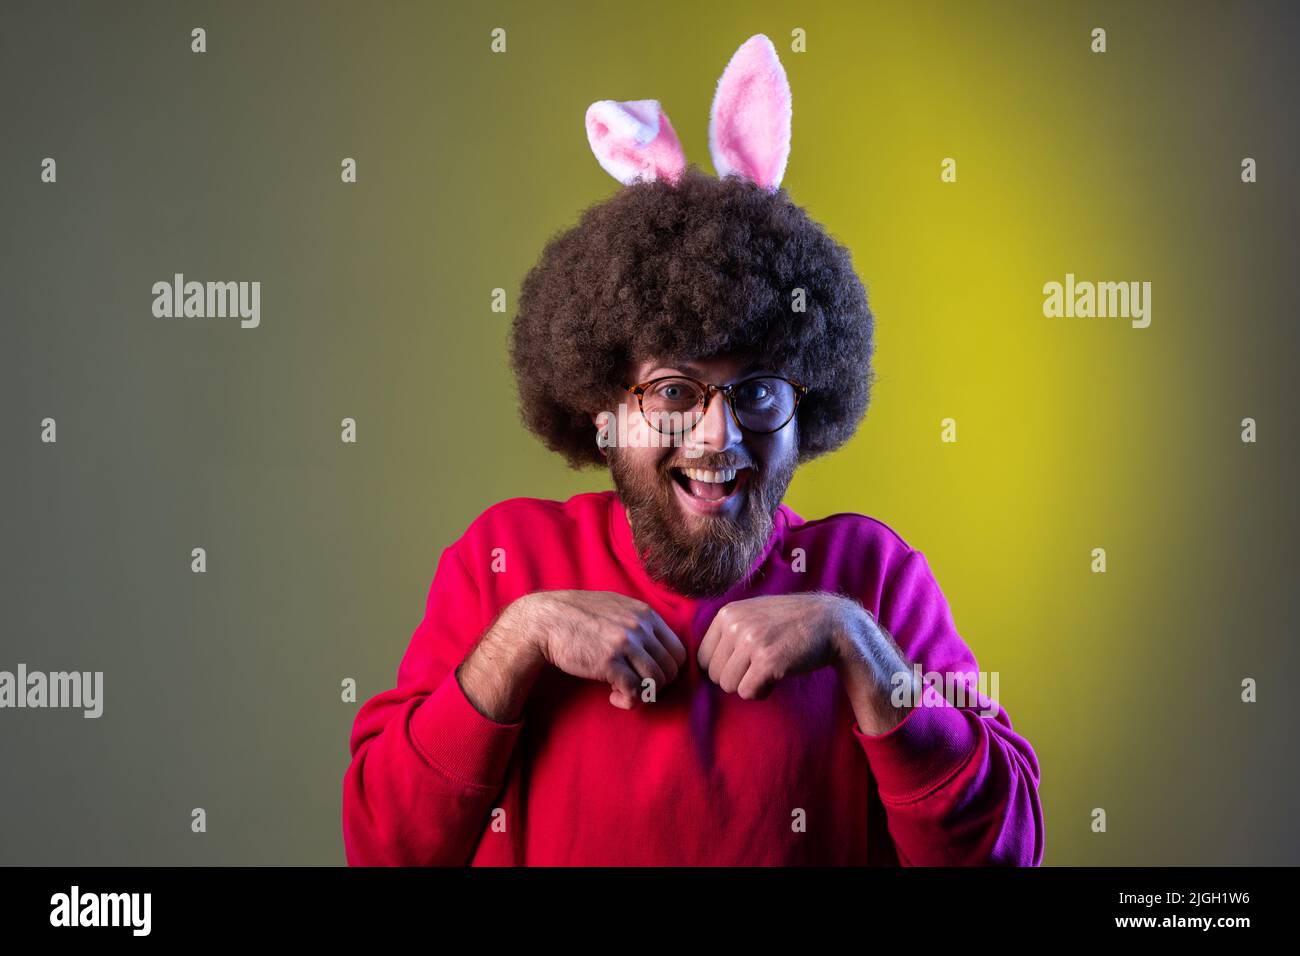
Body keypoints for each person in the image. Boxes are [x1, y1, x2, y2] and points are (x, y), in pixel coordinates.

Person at [341, 34, 1044, 866]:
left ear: (804, 403)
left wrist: (860, 647)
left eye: (758, 392)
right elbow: (385, 847)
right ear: (604, 400)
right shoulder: (504, 561)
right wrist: (517, 640)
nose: (718, 436)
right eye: (674, 391)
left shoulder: (876, 579)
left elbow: (1004, 852)